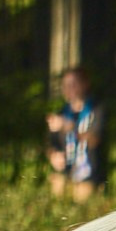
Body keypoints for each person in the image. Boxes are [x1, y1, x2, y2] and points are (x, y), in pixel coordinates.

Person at [45, 67, 104, 200]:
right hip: (65, 173)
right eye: (65, 85)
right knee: (57, 187)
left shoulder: (96, 110)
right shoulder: (62, 113)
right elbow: (51, 146)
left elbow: (94, 140)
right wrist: (54, 156)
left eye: (73, 84)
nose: (69, 89)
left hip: (88, 176)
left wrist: (70, 127)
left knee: (82, 198)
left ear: (85, 84)